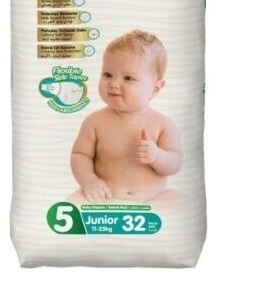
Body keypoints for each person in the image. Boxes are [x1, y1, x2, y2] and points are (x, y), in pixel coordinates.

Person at [70, 30, 182, 204]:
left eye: (128, 78)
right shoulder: (95, 122)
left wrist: (157, 156)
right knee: (70, 204)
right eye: (107, 74)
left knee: (181, 202)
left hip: (154, 197)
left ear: (154, 89)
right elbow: (80, 155)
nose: (114, 83)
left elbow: (175, 163)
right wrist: (89, 181)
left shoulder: (163, 125)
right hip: (103, 196)